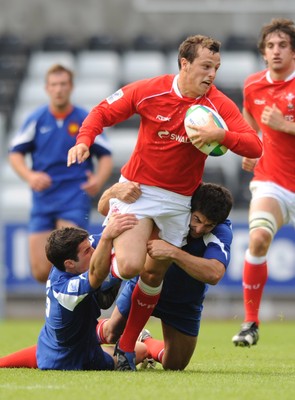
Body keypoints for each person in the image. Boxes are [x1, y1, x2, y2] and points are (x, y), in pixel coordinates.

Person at [67, 34, 263, 370]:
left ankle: (127, 348)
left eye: (216, 67)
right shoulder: (150, 90)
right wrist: (85, 140)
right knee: (130, 265)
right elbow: (103, 110)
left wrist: (222, 137)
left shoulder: (216, 105)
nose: (212, 74)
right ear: (184, 64)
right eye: (205, 66)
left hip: (179, 202)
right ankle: (106, 282)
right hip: (139, 191)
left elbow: (254, 146)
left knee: (153, 275)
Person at [95, 181, 233, 370]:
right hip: (143, 284)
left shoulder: (222, 231)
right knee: (111, 333)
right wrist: (113, 190)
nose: (200, 229)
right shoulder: (170, 208)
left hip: (183, 302)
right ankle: (76, 337)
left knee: (174, 365)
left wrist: (173, 252)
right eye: (197, 220)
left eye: (208, 226)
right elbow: (104, 208)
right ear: (190, 208)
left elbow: (215, 273)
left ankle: (146, 341)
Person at [8, 64, 113, 283]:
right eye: (54, 85)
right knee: (39, 270)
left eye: (63, 84)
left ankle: (76, 308)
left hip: (73, 195)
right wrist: (30, 176)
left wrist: (98, 180)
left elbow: (105, 155)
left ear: (71, 87)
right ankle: (58, 304)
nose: (59, 89)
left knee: (71, 256)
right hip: (44, 197)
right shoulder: (36, 119)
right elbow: (15, 154)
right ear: (47, 88)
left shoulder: (84, 118)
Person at [0, 219, 149, 370]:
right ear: (70, 263)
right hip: (70, 359)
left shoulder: (73, 257)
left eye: (90, 247)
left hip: (66, 343)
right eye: (87, 251)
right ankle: (142, 339)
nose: (93, 251)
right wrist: (108, 241)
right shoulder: (65, 289)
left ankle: (112, 333)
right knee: (142, 350)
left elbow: (109, 236)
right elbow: (97, 275)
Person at [232, 18, 295, 347]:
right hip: (272, 181)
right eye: (270, 46)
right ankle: (250, 323)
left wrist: (286, 126)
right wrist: (250, 146)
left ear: (294, 51)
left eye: (283, 45)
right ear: (263, 52)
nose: (276, 51)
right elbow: (249, 122)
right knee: (257, 239)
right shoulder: (253, 85)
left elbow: (280, 125)